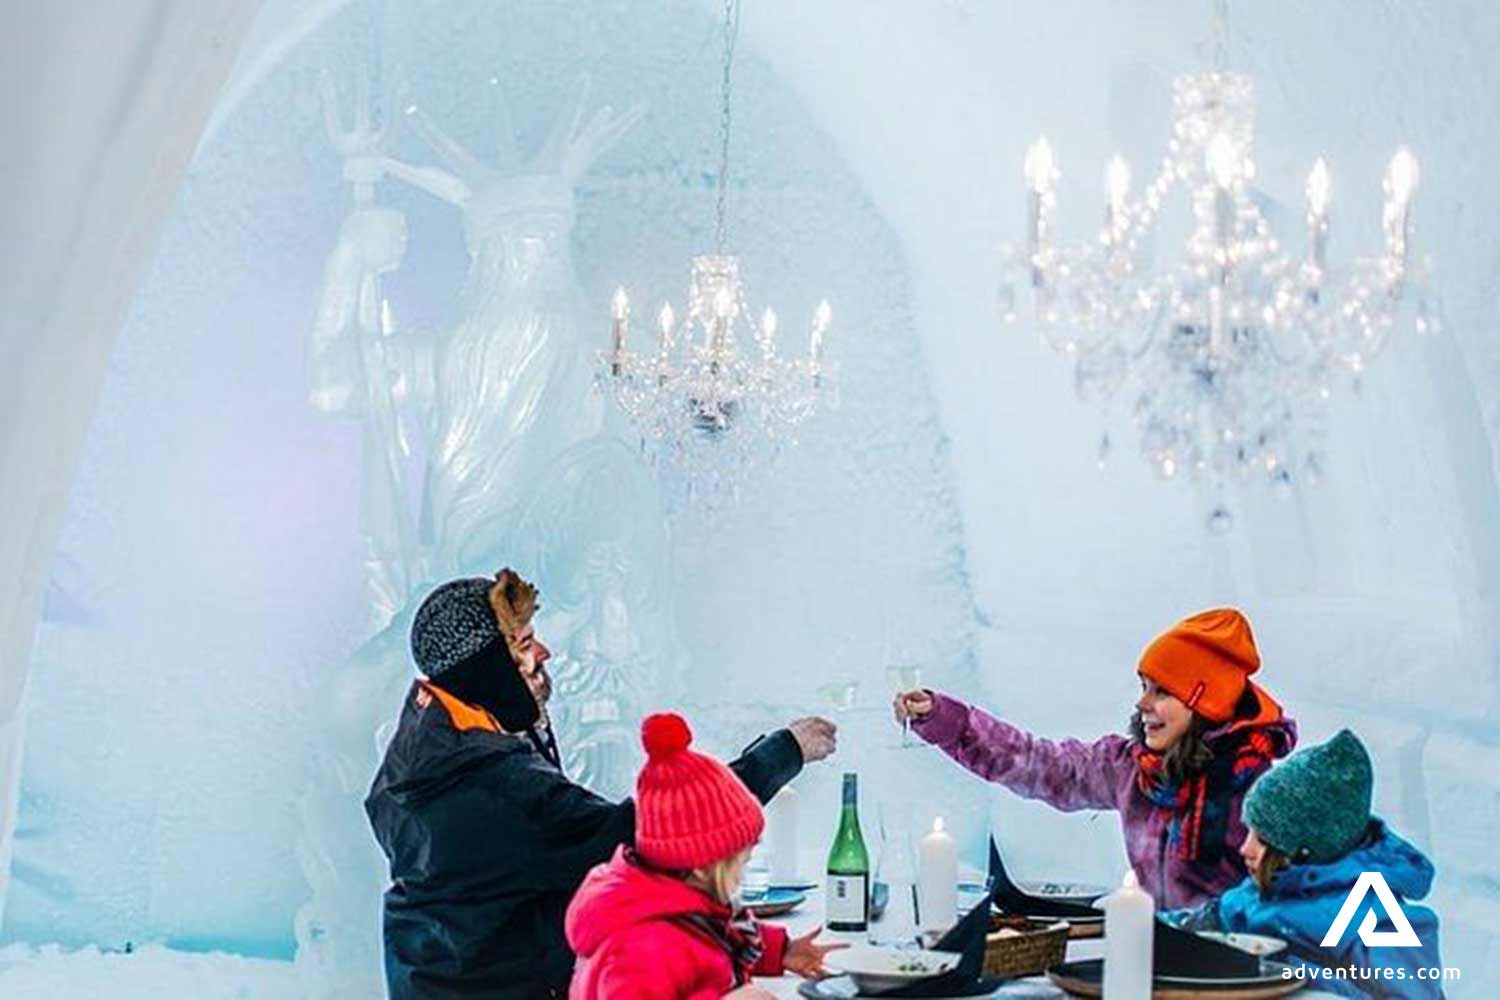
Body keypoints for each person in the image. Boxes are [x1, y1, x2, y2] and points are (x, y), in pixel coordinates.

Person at [365, 570, 837, 998]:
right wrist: (780, 755)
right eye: (525, 644)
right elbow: (643, 835)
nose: (544, 653)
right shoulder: (489, 786)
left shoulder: (430, 741)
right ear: (487, 671)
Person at [894, 608, 1296, 908]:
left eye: (1162, 692)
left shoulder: (1257, 790)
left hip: (1234, 970)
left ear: (1204, 704)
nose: (1143, 703)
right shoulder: (1130, 768)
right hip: (1154, 953)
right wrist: (942, 718)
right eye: (1144, 686)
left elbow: (1284, 900)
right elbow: (1038, 763)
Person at [566, 713, 847, 998]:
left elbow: (724, 937)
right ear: (705, 865)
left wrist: (782, 951)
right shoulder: (644, 948)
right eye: (742, 861)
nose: (743, 873)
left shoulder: (689, 910)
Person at [1164, 730, 1445, 998]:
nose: (1244, 848)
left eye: (1262, 840)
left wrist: (1286, 971)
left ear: (1304, 852)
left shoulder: (1380, 922)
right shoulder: (1256, 894)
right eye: (1248, 831)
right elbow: (1192, 930)